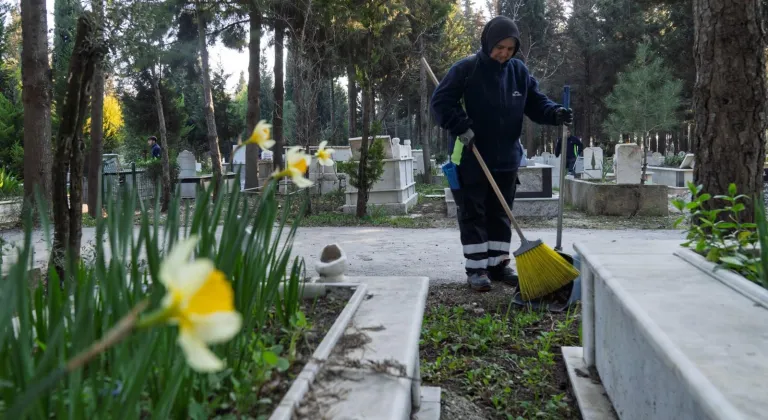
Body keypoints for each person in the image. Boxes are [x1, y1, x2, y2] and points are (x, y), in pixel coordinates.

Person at [431, 16, 572, 292]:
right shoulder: (466, 69)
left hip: (506, 158)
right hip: (471, 156)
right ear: (487, 42)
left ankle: (497, 265)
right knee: (474, 213)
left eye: (509, 48)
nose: (504, 53)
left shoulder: (518, 71)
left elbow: (535, 102)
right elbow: (440, 103)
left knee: (500, 214)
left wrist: (554, 112)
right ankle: (476, 269)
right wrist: (461, 125)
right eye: (499, 47)